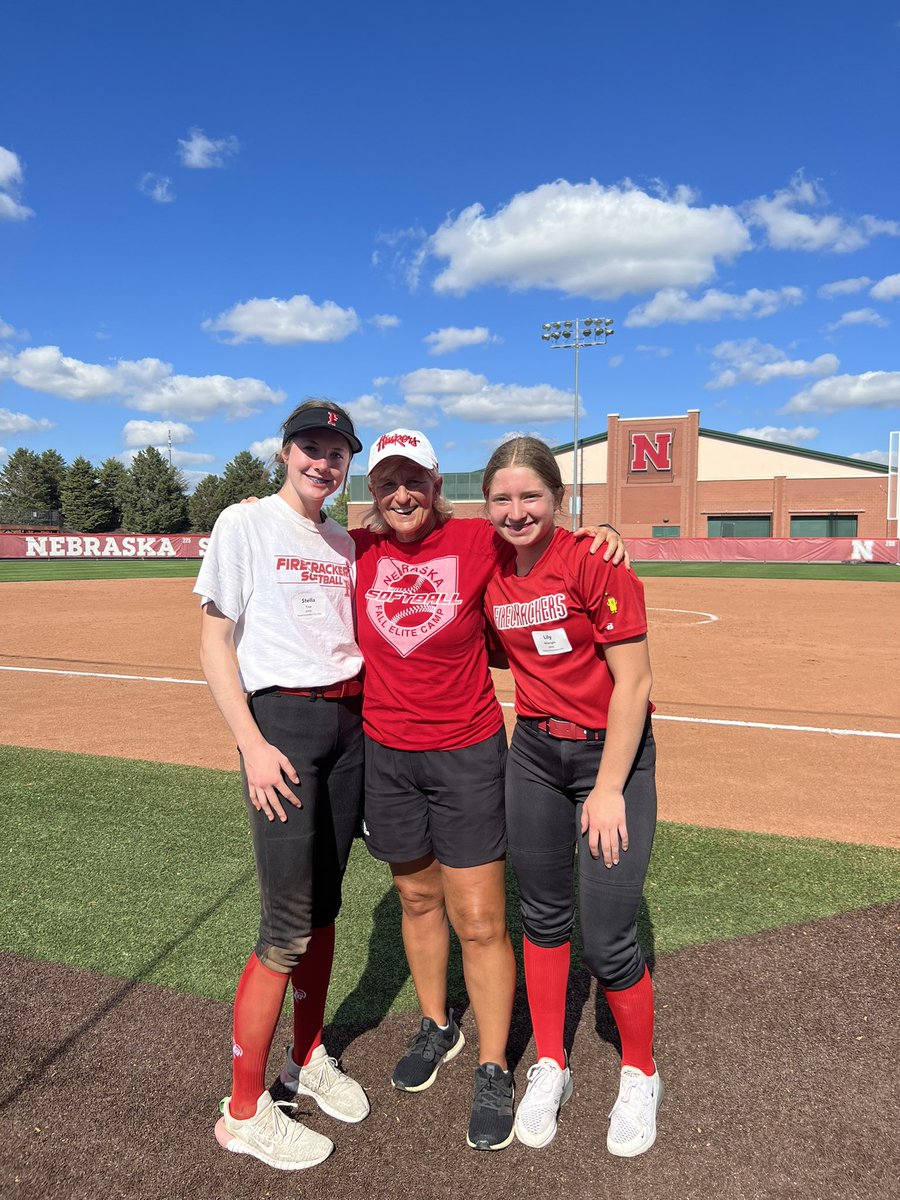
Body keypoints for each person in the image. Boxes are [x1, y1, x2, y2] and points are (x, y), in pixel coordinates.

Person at [351, 429, 627, 1152]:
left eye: (415, 480)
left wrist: (603, 530)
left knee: (479, 919)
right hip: (387, 754)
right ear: (372, 492)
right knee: (416, 898)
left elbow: (541, 535)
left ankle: (494, 1062)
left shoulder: (479, 540)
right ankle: (438, 1023)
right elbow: (298, 530)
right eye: (387, 483)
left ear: (438, 486)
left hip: (467, 754)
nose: (401, 494)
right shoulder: (356, 550)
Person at [195, 399, 370, 1172]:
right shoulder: (246, 523)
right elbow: (214, 642)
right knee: (284, 928)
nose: (321, 461)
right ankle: (242, 1110)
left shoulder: (341, 539)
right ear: (284, 451)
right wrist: (252, 746)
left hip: (347, 726)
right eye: (309, 446)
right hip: (283, 732)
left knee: (326, 909)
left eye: (336, 452)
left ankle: (307, 1060)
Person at [480, 435, 661, 1157]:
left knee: (610, 936)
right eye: (502, 498)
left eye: (532, 496)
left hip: (608, 758)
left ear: (559, 499)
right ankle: (550, 1062)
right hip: (532, 754)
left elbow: (636, 684)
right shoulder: (490, 567)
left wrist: (610, 786)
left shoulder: (593, 559)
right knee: (545, 918)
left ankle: (642, 1073)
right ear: (485, 504)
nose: (517, 511)